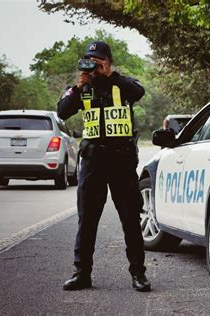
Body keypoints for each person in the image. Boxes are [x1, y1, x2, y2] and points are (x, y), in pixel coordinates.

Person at [58, 41, 150, 292]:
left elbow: (138, 92)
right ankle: (82, 274)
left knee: (131, 219)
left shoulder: (122, 83)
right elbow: (62, 112)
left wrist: (110, 75)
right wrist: (78, 88)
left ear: (108, 61)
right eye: (89, 59)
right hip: (93, 162)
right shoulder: (82, 88)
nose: (94, 65)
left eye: (99, 60)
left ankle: (138, 274)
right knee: (87, 221)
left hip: (121, 160)